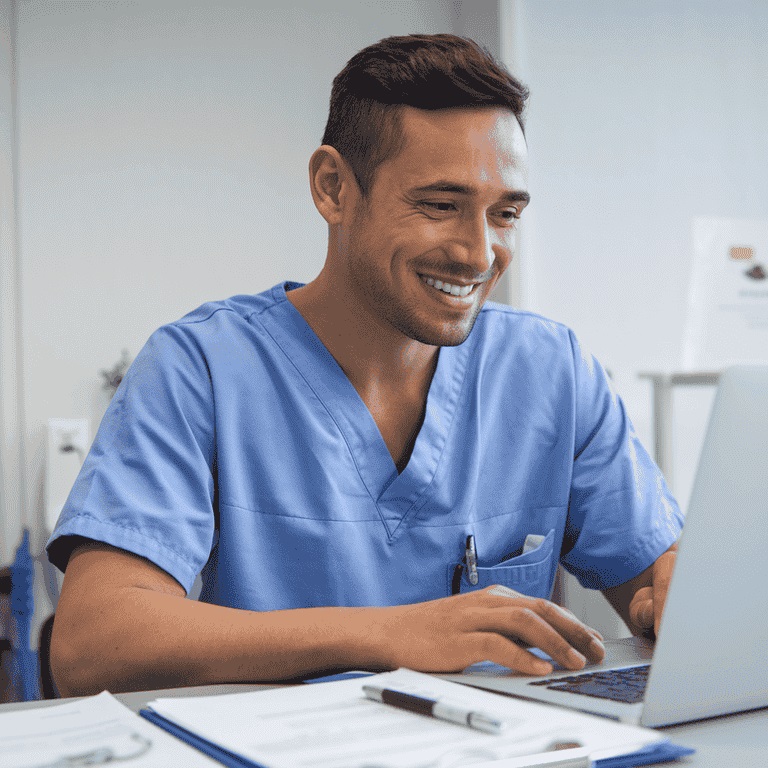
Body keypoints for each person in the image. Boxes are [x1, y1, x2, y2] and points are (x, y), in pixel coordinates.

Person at [47, 34, 682, 697]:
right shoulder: (198, 370)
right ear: (333, 189)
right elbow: (93, 645)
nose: (478, 253)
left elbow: (655, 574)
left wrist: (674, 592)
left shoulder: (552, 371)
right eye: (440, 206)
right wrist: (387, 635)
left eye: (505, 215)